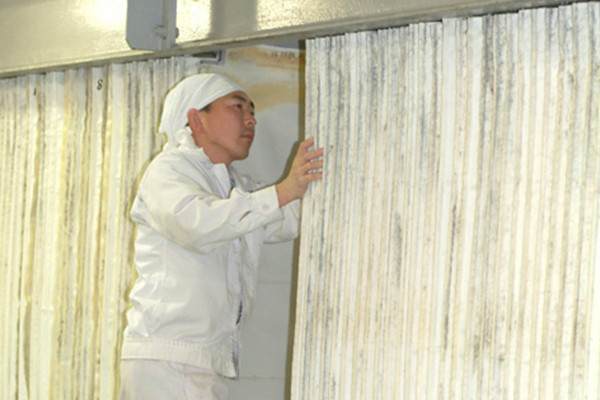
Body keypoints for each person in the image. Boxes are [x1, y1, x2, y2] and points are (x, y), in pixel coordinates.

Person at [120, 73, 323, 399]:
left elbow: (286, 221)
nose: (251, 120)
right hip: (167, 358)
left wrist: (314, 183)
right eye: (237, 107)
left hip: (195, 360)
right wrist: (283, 192)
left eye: (252, 111)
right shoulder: (168, 170)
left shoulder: (234, 186)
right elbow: (197, 224)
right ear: (196, 120)